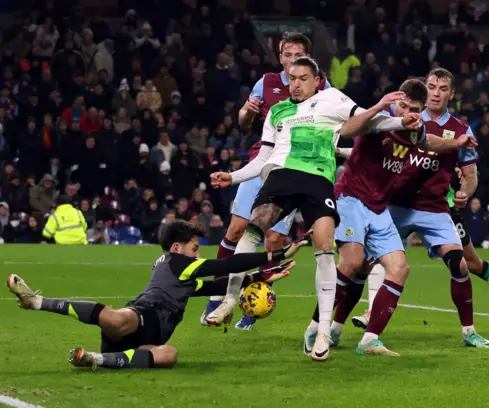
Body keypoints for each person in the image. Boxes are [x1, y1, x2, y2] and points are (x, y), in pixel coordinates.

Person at [207, 56, 422, 361]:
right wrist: (233, 176)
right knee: (252, 229)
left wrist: (401, 121)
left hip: (318, 179)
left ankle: (322, 331)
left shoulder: (332, 99)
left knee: (324, 247)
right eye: (292, 78)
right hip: (281, 176)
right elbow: (261, 159)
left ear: (317, 80)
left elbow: (369, 122)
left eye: (302, 78)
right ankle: (229, 300)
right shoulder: (277, 112)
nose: (295, 84)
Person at [303, 78, 477, 357]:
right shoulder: (380, 120)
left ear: (420, 111)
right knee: (352, 262)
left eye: (412, 109)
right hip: (352, 199)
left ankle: (370, 339)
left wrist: (456, 142)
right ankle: (315, 327)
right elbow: (348, 128)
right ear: (395, 100)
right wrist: (378, 106)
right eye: (402, 105)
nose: (405, 111)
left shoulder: (414, 129)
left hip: (379, 207)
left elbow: (428, 141)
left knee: (399, 268)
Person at [6, 221, 308, 370]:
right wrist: (275, 254)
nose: (197, 253)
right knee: (118, 318)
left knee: (170, 354)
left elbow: (217, 286)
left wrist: (264, 277)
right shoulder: (177, 263)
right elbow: (228, 265)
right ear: (177, 248)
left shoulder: (182, 276)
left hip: (146, 339)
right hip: (141, 317)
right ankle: (36, 301)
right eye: (194, 248)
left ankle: (97, 359)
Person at [201, 32, 331, 331]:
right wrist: (247, 112)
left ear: (308, 61)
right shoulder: (267, 82)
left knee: (273, 239)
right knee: (236, 228)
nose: (290, 61)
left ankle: (252, 304)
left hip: (296, 168)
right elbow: (244, 122)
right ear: (281, 56)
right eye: (286, 54)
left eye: (297, 55)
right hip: (263, 160)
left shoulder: (321, 85)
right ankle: (221, 294)